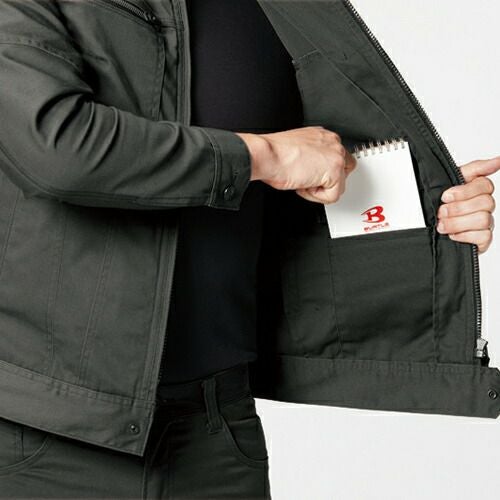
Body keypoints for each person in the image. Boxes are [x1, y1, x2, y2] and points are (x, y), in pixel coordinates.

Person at [0, 0, 497, 498]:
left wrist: (428, 209)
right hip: (43, 432)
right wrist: (269, 154)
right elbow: (57, 146)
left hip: (217, 432)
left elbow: (290, 175)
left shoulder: (275, 9)